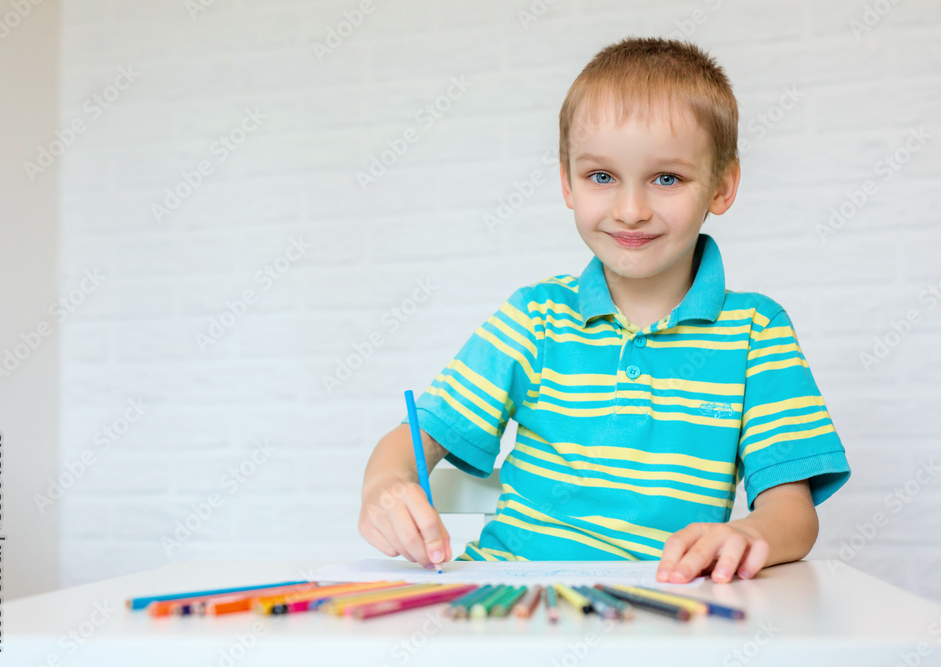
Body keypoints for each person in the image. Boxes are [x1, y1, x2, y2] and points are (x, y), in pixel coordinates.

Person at [358, 36, 850, 584]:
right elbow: (405, 447)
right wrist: (385, 488)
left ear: (722, 186)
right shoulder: (535, 317)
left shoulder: (756, 333)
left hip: (659, 608)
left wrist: (748, 534)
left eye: (667, 178)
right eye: (601, 177)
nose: (631, 210)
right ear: (568, 182)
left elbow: (792, 517)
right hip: (505, 599)